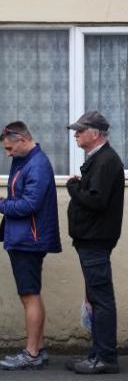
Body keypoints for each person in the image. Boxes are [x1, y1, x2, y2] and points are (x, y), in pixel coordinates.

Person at [0, 121, 61, 371]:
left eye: (9, 148)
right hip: (25, 237)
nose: (7, 153)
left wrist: (2, 206)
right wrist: (4, 202)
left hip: (29, 239)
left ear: (21, 140)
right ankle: (37, 348)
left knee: (29, 295)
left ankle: (31, 354)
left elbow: (30, 205)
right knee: (31, 294)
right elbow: (24, 199)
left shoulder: (37, 164)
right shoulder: (25, 161)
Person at [64, 111, 124, 375]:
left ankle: (105, 357)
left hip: (95, 239)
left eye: (80, 130)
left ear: (95, 133)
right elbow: (96, 195)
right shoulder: (101, 159)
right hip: (92, 239)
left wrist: (73, 188)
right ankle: (98, 353)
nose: (75, 134)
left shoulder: (105, 161)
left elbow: (96, 201)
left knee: (100, 299)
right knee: (96, 298)